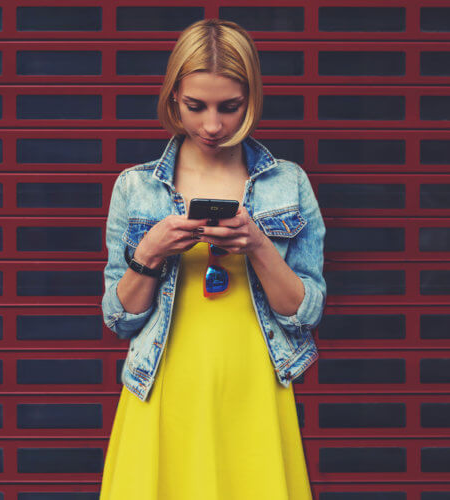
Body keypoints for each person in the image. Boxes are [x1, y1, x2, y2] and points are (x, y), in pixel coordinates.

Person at [99, 19, 326, 499]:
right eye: (195, 106)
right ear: (173, 97)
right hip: (162, 383)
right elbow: (118, 319)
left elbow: (305, 310)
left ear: (252, 98)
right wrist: (149, 254)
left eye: (230, 107)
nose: (212, 125)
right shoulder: (135, 188)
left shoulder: (288, 183)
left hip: (255, 389)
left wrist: (259, 245)